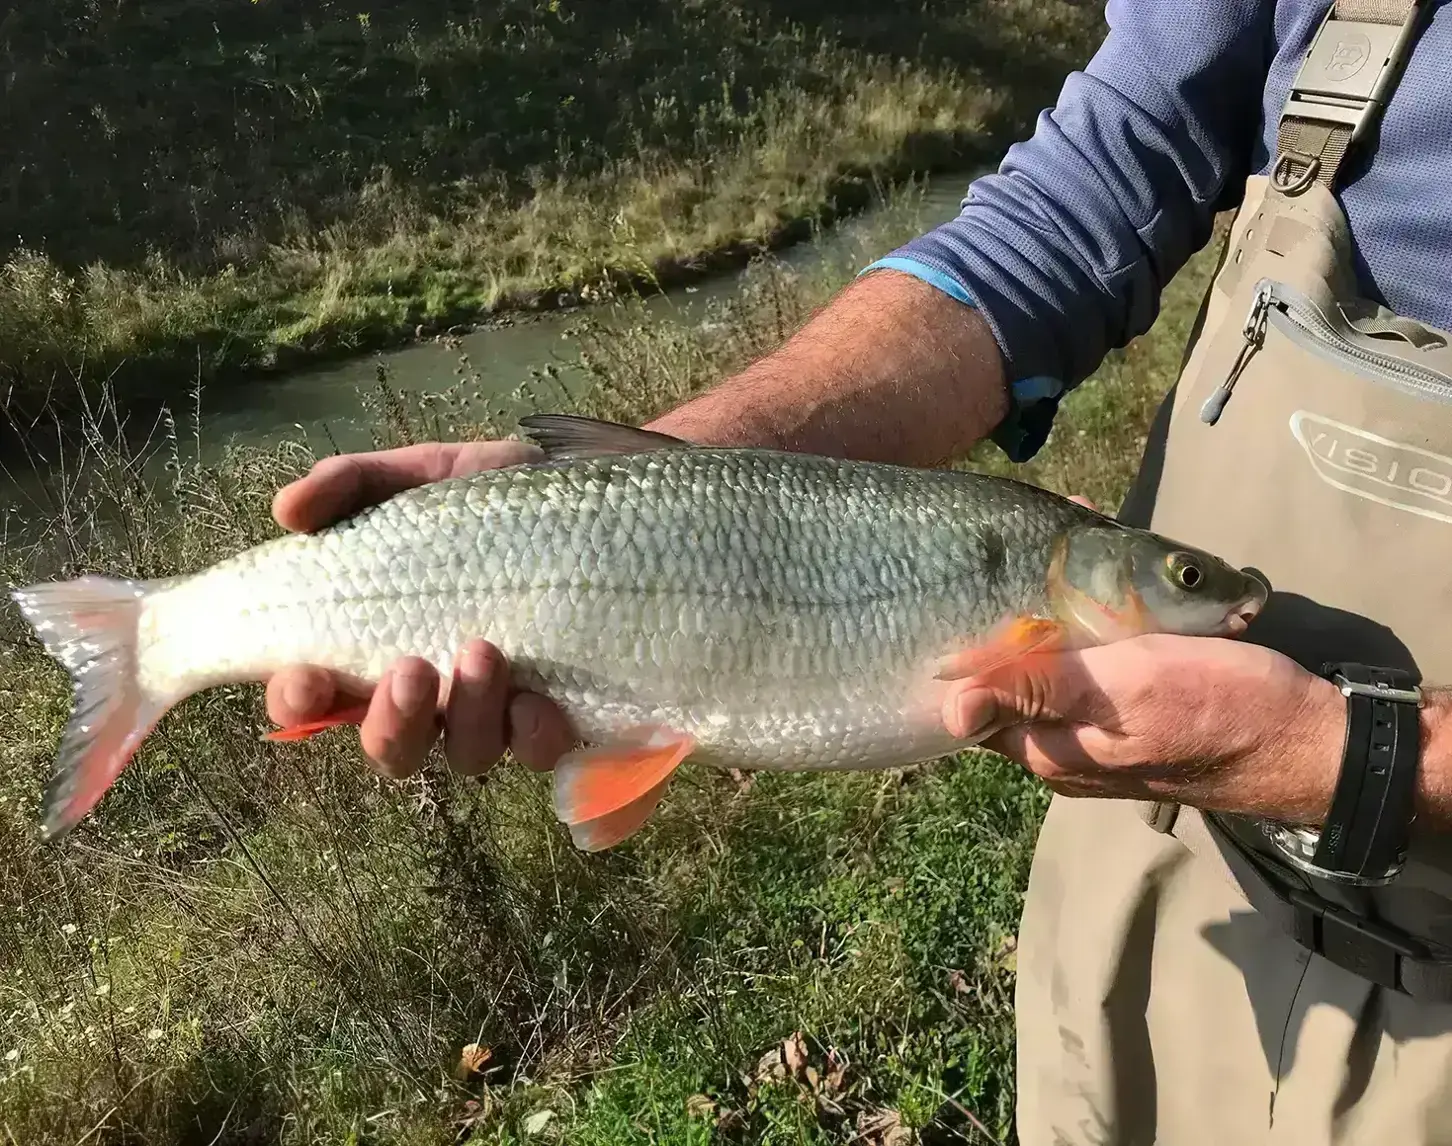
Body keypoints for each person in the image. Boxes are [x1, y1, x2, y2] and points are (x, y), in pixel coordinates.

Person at [266, 1, 1452, 1141]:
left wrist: (1352, 762)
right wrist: (651, 484)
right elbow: (1090, 193)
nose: (1215, 595)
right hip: (1171, 898)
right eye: (1189, 581)